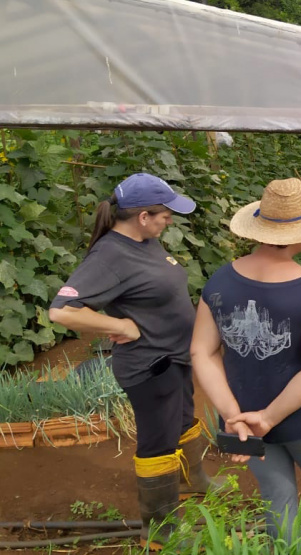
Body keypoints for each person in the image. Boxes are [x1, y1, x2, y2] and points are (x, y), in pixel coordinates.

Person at [48, 173, 218, 550]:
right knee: (159, 441)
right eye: (165, 215)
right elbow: (61, 311)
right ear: (143, 216)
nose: (169, 220)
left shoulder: (145, 240)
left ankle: (193, 482)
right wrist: (119, 324)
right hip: (150, 365)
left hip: (175, 356)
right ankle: (160, 531)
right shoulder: (109, 255)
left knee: (183, 418)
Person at [190, 177, 301, 543]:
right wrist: (266, 418)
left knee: (277, 502)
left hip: (244, 423)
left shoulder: (219, 282)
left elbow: (201, 352)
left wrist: (234, 416)